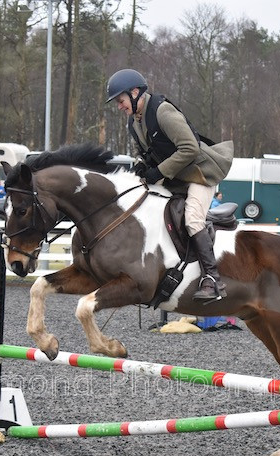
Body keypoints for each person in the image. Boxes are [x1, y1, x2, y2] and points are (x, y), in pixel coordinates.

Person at [106, 68, 234, 302]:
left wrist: (159, 171)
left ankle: (212, 279)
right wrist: (141, 166)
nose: (119, 106)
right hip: (175, 178)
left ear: (135, 93)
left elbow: (190, 148)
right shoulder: (134, 123)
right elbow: (142, 153)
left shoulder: (162, 111)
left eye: (121, 100)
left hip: (200, 174)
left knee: (193, 218)